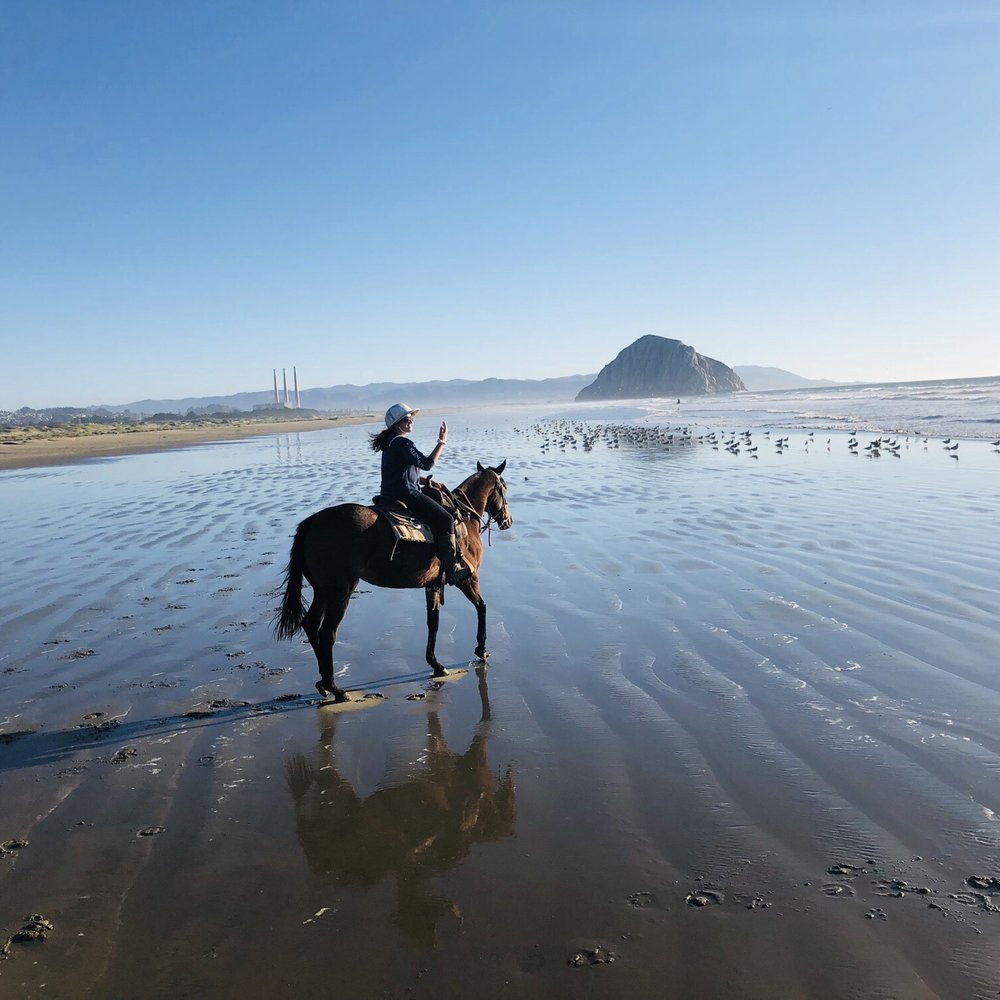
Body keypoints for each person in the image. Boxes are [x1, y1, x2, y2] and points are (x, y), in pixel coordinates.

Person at [371, 403, 472, 584]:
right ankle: (452, 567)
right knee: (446, 519)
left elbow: (402, 472)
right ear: (396, 424)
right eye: (407, 420)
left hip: (390, 493)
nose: (411, 423)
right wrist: (442, 442)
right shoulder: (402, 443)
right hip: (406, 494)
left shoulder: (390, 443)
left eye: (411, 419)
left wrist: (426, 481)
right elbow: (426, 464)